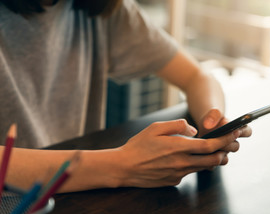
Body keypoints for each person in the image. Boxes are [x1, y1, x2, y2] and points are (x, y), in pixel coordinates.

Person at [0, 0, 252, 192]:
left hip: (79, 205)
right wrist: (122, 165)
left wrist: (213, 122)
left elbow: (197, 77)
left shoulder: (103, 10)